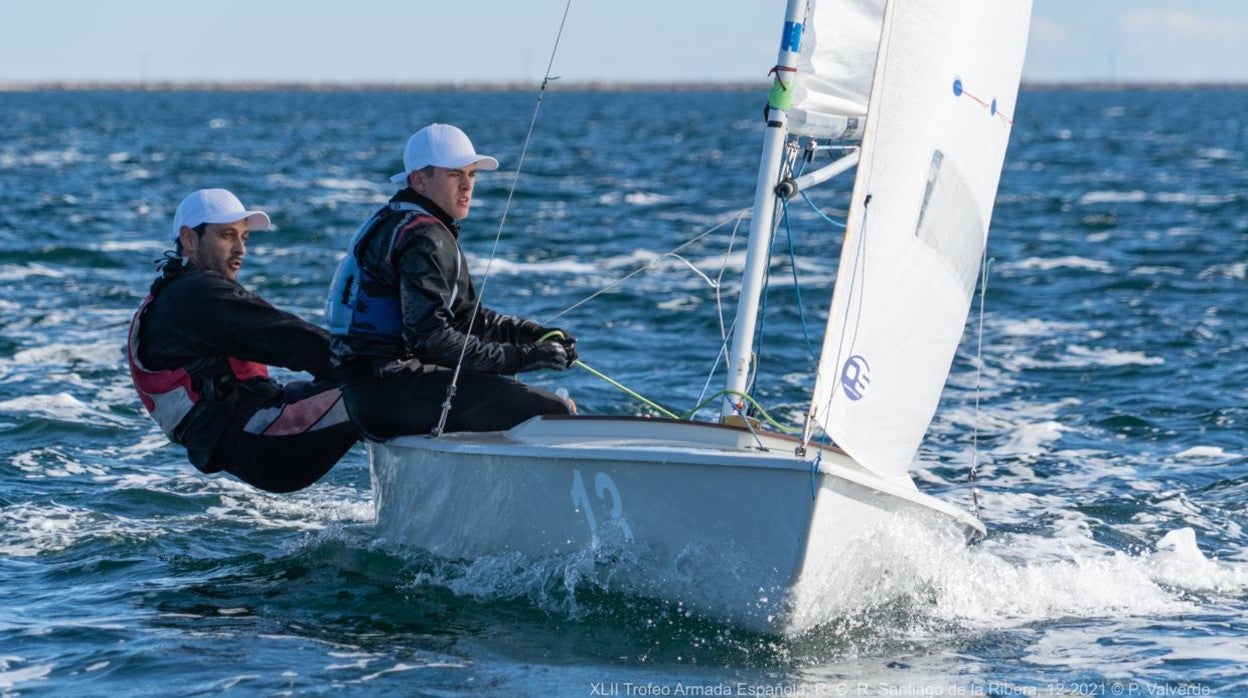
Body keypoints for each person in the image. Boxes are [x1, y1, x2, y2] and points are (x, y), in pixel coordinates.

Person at [326, 123, 576, 440]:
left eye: (472, 174)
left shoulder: (396, 220)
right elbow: (431, 339)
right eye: (454, 175)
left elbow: (469, 320)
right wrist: (523, 358)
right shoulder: (424, 238)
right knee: (553, 412)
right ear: (419, 180)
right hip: (392, 393)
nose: (467, 186)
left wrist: (533, 335)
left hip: (371, 395)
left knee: (519, 397)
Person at [127, 188, 359, 492]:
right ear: (189, 239)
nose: (241, 250)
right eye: (226, 236)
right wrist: (373, 360)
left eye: (244, 237)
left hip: (251, 438)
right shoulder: (197, 294)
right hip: (263, 441)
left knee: (374, 379)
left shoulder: (173, 294)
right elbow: (287, 337)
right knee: (381, 384)